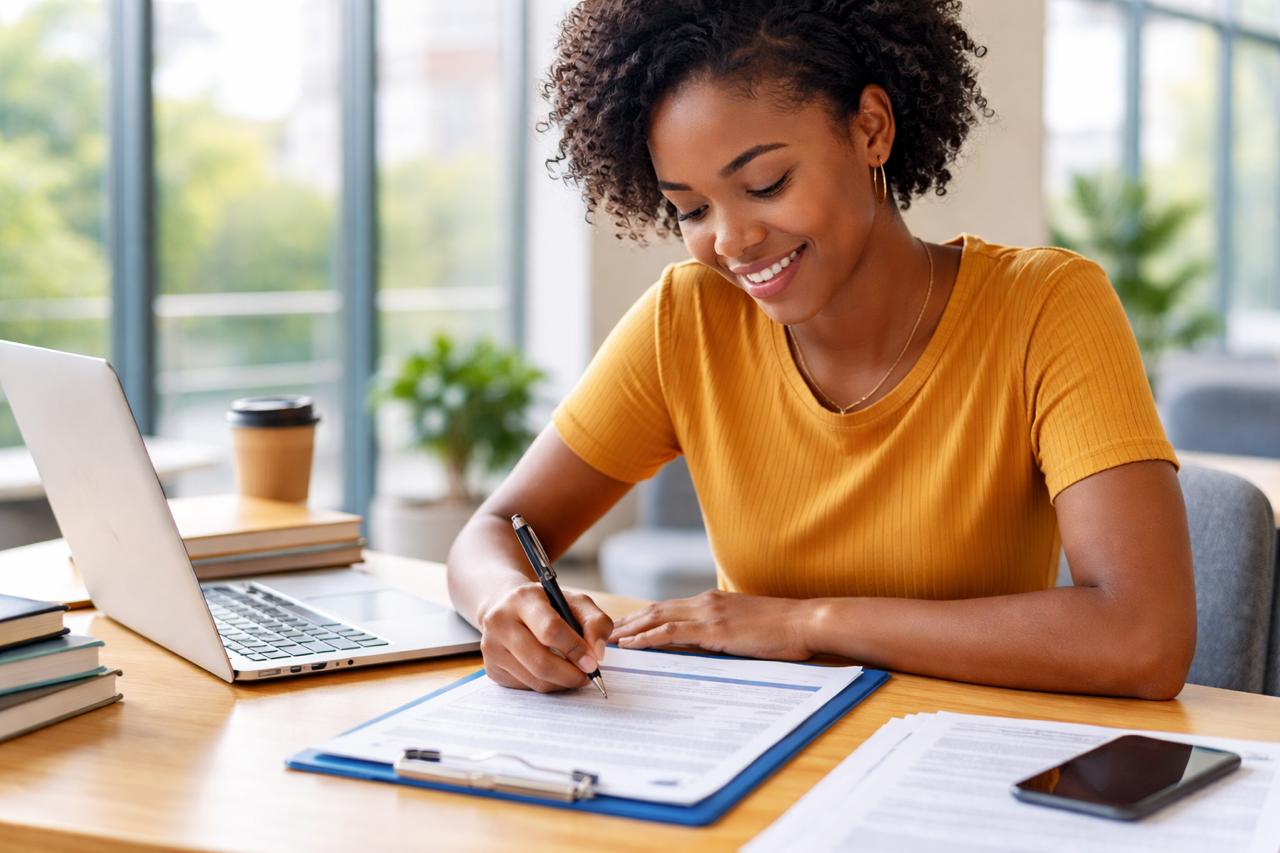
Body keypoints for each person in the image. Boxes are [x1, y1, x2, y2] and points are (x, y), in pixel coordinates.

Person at [447, 0, 1196, 700]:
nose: (732, 240)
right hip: (764, 770)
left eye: (766, 183)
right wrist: (508, 603)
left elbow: (1143, 636)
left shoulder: (1044, 308)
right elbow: (491, 533)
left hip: (974, 777)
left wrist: (806, 624)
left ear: (870, 128)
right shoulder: (689, 321)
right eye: (693, 208)